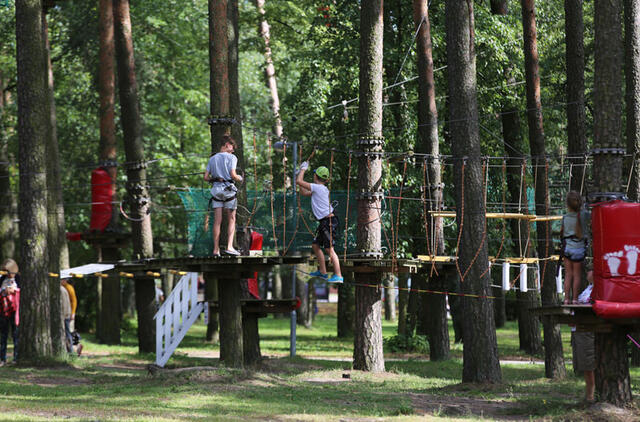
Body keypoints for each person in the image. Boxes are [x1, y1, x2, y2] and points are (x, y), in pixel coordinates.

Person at [296, 161, 343, 283]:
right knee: (316, 245)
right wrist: (299, 175)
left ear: (315, 176)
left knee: (329, 249)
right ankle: (323, 272)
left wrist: (302, 170)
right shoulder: (320, 189)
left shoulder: (318, 188)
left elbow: (299, 182)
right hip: (324, 222)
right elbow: (303, 192)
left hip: (329, 222)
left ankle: (338, 275)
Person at [204, 135, 244, 256]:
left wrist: (216, 179)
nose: (233, 150)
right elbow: (233, 175)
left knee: (217, 221)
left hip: (216, 190)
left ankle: (216, 249)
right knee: (232, 219)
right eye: (232, 147)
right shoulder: (232, 157)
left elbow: (206, 178)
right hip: (228, 191)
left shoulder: (212, 159)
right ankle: (229, 246)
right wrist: (240, 178)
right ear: (226, 144)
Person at [571, 270, 595, 403]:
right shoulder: (588, 288)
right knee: (584, 365)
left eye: (591, 271)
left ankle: (591, 395)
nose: (587, 273)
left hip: (588, 330)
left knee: (589, 364)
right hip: (579, 329)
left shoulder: (597, 290)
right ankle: (588, 393)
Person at [561, 191, 589, 304]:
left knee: (568, 274)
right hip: (579, 248)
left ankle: (566, 299)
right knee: (577, 275)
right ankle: (575, 299)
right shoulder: (584, 215)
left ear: (567, 205)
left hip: (567, 248)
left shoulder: (565, 217)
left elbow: (562, 232)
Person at [0, 278, 19, 366]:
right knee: (4, 338)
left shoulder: (16, 294)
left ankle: (16, 358)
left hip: (14, 316)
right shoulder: (2, 295)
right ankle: (3, 359)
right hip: (4, 317)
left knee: (15, 337)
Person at [61, 278, 82, 356]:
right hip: (67, 312)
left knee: (68, 332)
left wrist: (73, 313)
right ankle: (75, 347)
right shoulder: (64, 288)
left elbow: (74, 301)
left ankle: (73, 349)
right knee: (68, 332)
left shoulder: (68, 288)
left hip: (67, 313)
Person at [60, 280, 73, 354]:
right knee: (67, 333)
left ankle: (70, 351)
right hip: (66, 315)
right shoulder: (63, 289)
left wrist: (63, 316)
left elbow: (64, 304)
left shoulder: (61, 290)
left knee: (67, 334)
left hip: (65, 316)